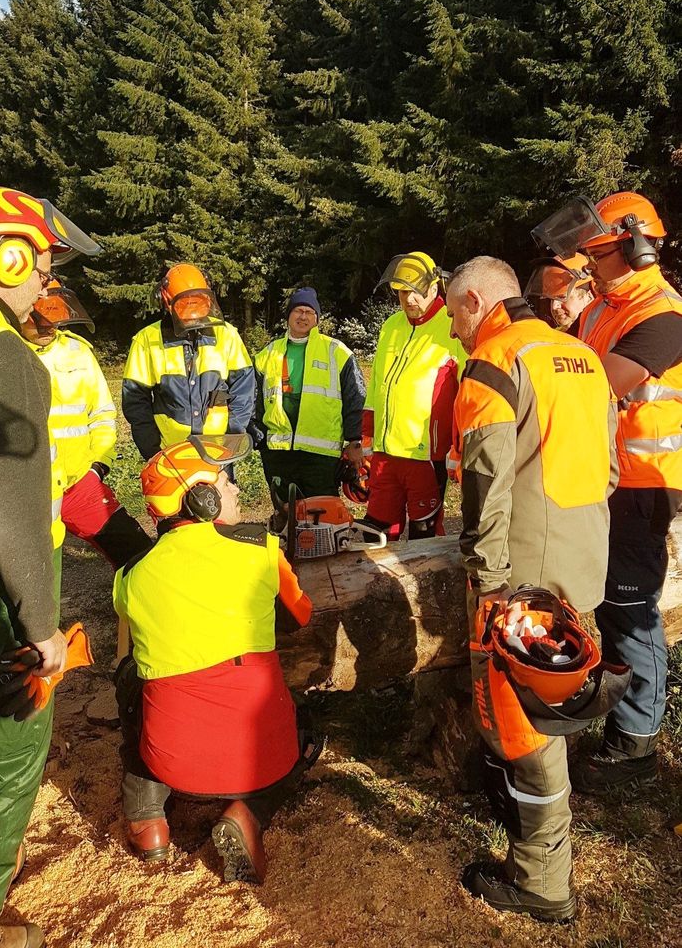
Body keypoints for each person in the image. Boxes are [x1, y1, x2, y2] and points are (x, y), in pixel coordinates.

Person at [446, 255, 617, 922]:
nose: (456, 330)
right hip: (582, 559)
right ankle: (531, 817)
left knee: (523, 729)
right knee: (559, 702)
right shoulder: (578, 354)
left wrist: (488, 583)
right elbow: (606, 466)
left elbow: (484, 489)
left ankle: (542, 881)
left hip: (519, 575)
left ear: (475, 302)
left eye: (457, 314)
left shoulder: (493, 361)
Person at [113, 436, 323, 884]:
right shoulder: (259, 548)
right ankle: (248, 813)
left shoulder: (129, 576)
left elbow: (131, 642)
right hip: (260, 756)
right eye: (225, 483)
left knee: (132, 683)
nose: (235, 492)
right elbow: (299, 616)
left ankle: (146, 819)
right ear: (202, 499)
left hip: (172, 758)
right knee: (305, 736)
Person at [533, 191, 682, 793]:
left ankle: (638, 744)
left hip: (646, 483)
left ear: (634, 249)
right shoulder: (603, 304)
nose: (588, 264)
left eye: (596, 253)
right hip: (606, 477)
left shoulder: (664, 315)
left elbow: (602, 386)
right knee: (608, 607)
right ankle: (621, 714)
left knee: (631, 609)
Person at [0, 186, 100, 948]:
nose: (45, 282)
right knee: (16, 738)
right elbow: (12, 515)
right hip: (8, 588)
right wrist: (40, 628)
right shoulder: (14, 366)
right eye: (41, 264)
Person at [21, 280, 152, 569]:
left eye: (54, 319)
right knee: (27, 575)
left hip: (79, 484)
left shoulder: (78, 353)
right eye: (40, 319)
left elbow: (102, 414)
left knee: (138, 552)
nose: (48, 327)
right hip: (26, 492)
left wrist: (98, 467)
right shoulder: (9, 354)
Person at [362, 252, 466, 540]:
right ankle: (377, 586)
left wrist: (460, 445)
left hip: (425, 455)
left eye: (416, 292)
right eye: (403, 292)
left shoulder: (450, 325)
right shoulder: (391, 326)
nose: (409, 300)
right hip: (385, 453)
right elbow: (376, 387)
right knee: (376, 534)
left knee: (424, 536)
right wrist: (368, 436)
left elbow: (467, 390)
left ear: (434, 288)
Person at [122, 263, 255, 461]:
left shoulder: (226, 335)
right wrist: (152, 451)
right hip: (170, 452)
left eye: (197, 302)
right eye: (185, 303)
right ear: (166, 302)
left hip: (218, 450)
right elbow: (135, 401)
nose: (192, 309)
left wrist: (232, 435)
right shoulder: (147, 340)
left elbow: (244, 389)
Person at [252, 287, 365, 503]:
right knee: (285, 515)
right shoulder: (267, 354)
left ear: (317, 319)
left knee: (322, 514)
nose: (303, 316)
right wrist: (258, 439)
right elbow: (254, 400)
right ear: (288, 316)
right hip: (279, 452)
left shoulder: (337, 352)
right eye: (297, 311)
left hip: (320, 455)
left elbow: (355, 398)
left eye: (309, 312)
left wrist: (354, 441)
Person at [523, 253, 593, 334]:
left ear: (588, 298)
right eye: (551, 299)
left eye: (562, 297)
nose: (554, 307)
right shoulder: (550, 336)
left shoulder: (598, 334)